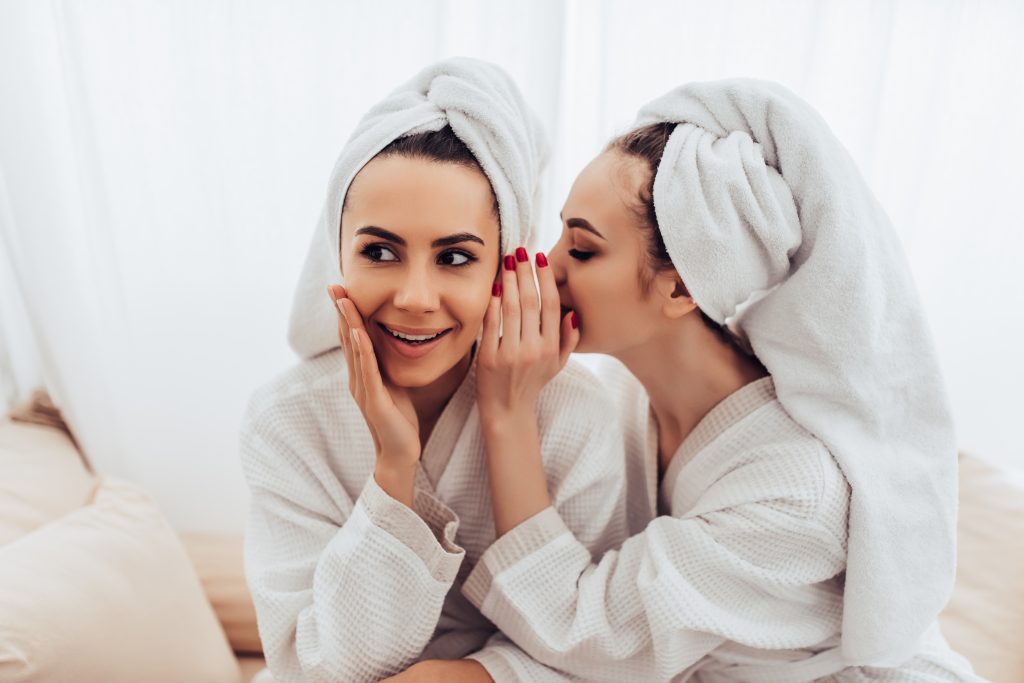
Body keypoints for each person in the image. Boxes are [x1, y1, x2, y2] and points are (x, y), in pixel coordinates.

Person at [465, 79, 985, 682]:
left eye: (581, 250)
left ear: (682, 286)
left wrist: (507, 414)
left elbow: (591, 635)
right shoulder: (630, 400)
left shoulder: (795, 489)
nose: (545, 269)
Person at [240, 58, 626, 683]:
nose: (415, 296)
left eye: (453, 257)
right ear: (337, 255)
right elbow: (313, 667)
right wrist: (394, 471)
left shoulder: (575, 416)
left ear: (505, 264)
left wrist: (467, 676)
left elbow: (597, 659)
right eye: (381, 252)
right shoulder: (288, 420)